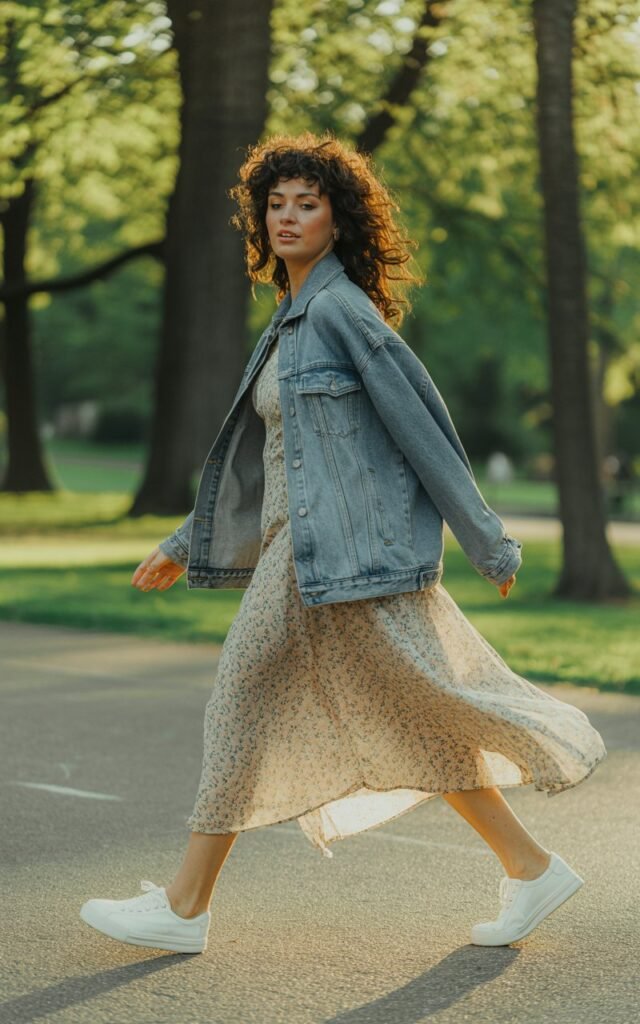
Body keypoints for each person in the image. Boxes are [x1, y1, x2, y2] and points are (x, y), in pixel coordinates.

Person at [80, 131, 607, 954]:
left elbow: (425, 429)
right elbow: (268, 462)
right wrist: (187, 540)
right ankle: (531, 867)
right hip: (309, 555)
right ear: (260, 220)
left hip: (334, 560)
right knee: (417, 713)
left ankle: (184, 910)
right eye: (275, 204)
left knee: (243, 704)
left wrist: (488, 542)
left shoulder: (340, 313)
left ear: (338, 220)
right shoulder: (292, 322)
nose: (288, 217)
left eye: (308, 203)